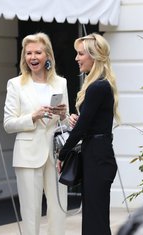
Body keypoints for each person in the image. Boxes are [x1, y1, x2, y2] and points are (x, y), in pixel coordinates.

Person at [3, 32, 69, 235]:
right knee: (30, 212)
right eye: (28, 53)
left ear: (47, 55)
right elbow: (8, 124)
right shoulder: (15, 84)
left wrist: (64, 114)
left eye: (38, 52)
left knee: (59, 209)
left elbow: (64, 122)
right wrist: (33, 116)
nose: (32, 57)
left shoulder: (60, 83)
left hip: (56, 154)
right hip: (27, 155)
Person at [59, 33, 120, 235]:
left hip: (98, 158)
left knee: (96, 222)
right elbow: (89, 122)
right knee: (96, 219)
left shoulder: (98, 86)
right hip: (98, 156)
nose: (76, 58)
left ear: (94, 56)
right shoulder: (100, 85)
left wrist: (63, 153)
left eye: (80, 54)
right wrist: (80, 118)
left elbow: (83, 127)